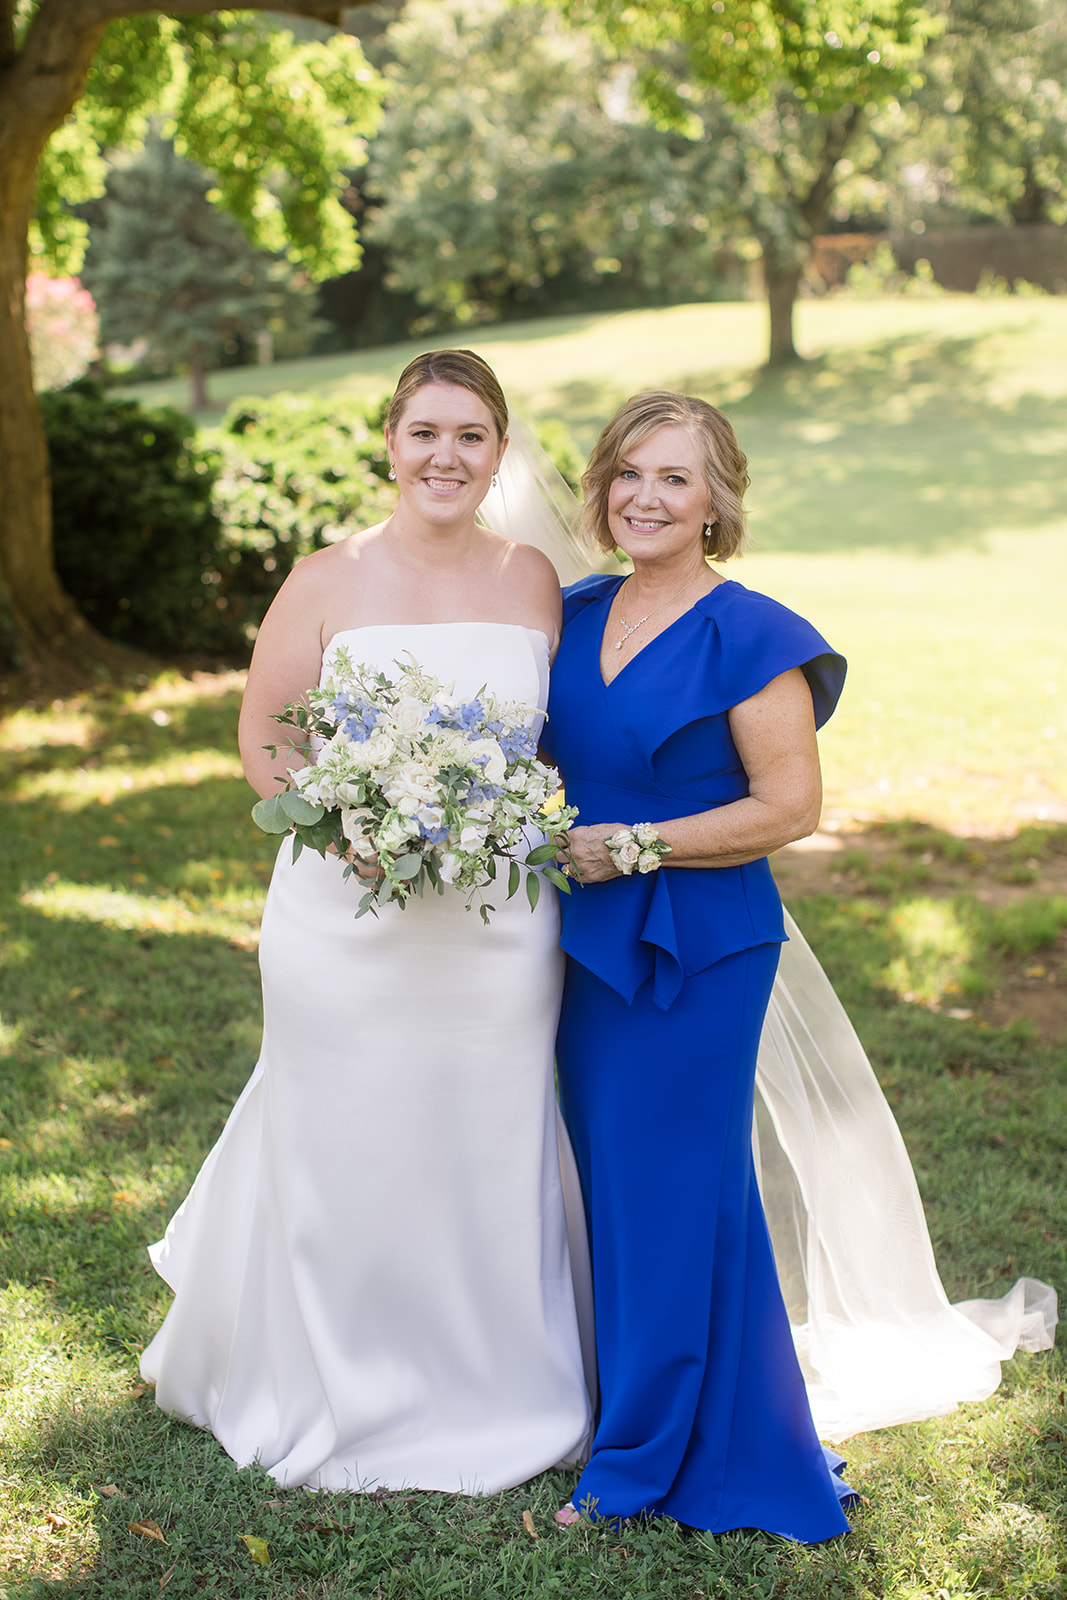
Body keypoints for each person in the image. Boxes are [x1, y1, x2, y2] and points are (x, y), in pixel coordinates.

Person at [140, 350, 593, 1493]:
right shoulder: (323, 577)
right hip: (340, 920)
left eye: (471, 436)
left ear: (500, 452)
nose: (446, 456)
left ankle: (496, 1379)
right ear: (389, 441)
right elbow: (265, 740)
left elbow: (553, 750)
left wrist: (497, 818)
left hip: (495, 928)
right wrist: (344, 821)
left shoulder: (536, 579)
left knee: (485, 1132)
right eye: (425, 432)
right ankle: (333, 1375)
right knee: (344, 1129)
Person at [542, 391, 856, 1540]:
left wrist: (634, 845)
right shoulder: (571, 614)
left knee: (669, 1187)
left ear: (718, 497)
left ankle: (631, 1465)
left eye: (674, 476)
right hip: (581, 946)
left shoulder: (754, 633)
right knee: (646, 1195)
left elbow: (791, 805)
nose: (645, 496)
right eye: (627, 472)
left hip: (702, 945)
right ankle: (724, 1427)